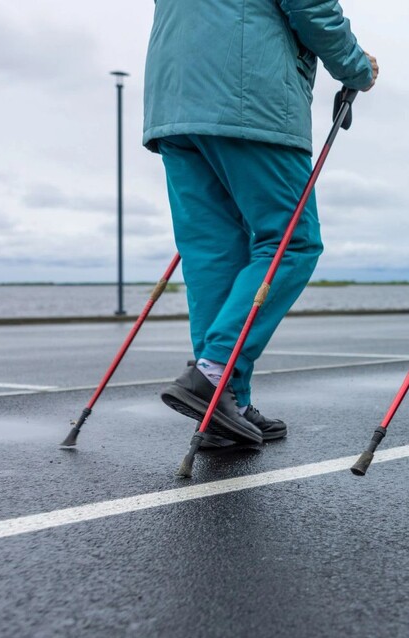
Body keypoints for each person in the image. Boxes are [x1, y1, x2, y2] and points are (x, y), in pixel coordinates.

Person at [142, 0, 378, 445]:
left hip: (172, 101)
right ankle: (213, 375)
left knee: (214, 253)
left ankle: (223, 405)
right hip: (248, 95)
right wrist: (356, 68)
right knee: (292, 241)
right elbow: (311, 7)